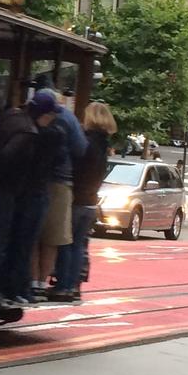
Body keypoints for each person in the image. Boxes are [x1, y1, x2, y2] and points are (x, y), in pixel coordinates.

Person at [0, 90, 57, 305]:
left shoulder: (11, 116)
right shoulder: (28, 132)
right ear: (43, 114)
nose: (51, 119)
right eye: (50, 115)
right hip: (2, 191)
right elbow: (8, 155)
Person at [34, 95, 89, 300]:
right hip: (65, 184)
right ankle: (45, 284)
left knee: (36, 236)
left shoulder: (54, 120)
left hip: (45, 181)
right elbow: (81, 150)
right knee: (56, 239)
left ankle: (34, 283)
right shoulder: (70, 119)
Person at [70, 101, 115, 287]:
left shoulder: (87, 142)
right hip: (91, 199)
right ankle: (76, 282)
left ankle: (67, 283)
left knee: (69, 243)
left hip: (78, 197)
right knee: (80, 244)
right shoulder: (104, 144)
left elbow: (79, 168)